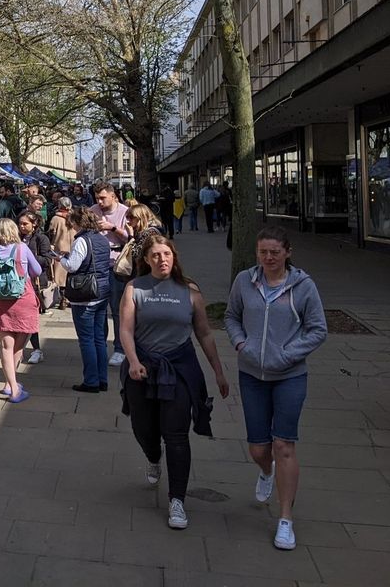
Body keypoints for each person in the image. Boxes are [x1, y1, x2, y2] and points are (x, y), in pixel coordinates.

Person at [224, 227, 327, 551]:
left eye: (274, 252)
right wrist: (241, 343)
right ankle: (265, 471)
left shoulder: (303, 286)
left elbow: (317, 329)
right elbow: (231, 317)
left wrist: (287, 354)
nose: (268, 258)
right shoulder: (245, 281)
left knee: (284, 445)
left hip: (290, 376)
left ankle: (285, 519)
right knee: (259, 449)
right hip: (252, 374)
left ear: (287, 252)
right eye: (263, 252)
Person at [119, 235, 228, 531]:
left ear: (174, 256)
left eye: (166, 254)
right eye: (155, 255)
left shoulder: (190, 291)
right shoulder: (134, 289)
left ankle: (177, 499)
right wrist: (133, 361)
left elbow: (204, 333)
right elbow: (126, 330)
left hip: (179, 368)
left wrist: (218, 371)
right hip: (143, 367)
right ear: (146, 260)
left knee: (177, 434)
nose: (162, 259)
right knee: (144, 429)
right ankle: (153, 456)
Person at [0, 218, 42, 404]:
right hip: (24, 301)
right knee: (18, 346)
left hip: (0, 303)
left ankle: (10, 385)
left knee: (6, 347)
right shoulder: (22, 249)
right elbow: (38, 270)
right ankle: (14, 388)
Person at [56, 206, 111, 393]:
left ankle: (91, 381)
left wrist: (60, 259)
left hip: (85, 295)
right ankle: (102, 379)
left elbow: (72, 266)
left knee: (86, 339)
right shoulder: (102, 239)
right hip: (102, 292)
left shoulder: (82, 240)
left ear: (78, 222)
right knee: (99, 339)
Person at [91, 182, 131, 366]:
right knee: (98, 307)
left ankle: (120, 348)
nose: (99, 202)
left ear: (113, 195)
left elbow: (130, 238)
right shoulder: (92, 211)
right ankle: (100, 344)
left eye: (102, 198)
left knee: (117, 309)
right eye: (97, 198)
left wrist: (112, 228)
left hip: (117, 265)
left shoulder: (124, 212)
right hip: (97, 265)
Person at [18, 211, 51, 364]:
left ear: (34, 224)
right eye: (20, 223)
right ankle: (21, 348)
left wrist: (27, 255)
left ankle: (36, 349)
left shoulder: (41, 238)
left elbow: (47, 259)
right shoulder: (17, 237)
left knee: (31, 317)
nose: (22, 226)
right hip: (19, 282)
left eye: (25, 224)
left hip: (36, 282)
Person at [48, 197, 75, 310]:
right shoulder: (74, 218)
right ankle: (68, 298)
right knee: (69, 275)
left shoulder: (56, 218)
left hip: (59, 249)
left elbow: (51, 232)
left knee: (58, 277)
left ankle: (61, 298)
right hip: (73, 249)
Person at [125, 204, 165, 279]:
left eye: (131, 217)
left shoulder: (150, 233)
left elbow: (135, 254)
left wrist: (130, 236)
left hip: (149, 272)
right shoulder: (139, 231)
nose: (129, 221)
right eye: (127, 217)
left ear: (141, 217)